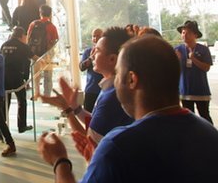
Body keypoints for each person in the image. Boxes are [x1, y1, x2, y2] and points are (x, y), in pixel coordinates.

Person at [38, 35, 218, 183]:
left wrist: (60, 161)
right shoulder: (209, 133)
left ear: (132, 79)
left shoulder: (117, 146)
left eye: (118, 73)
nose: (115, 81)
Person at [41, 27, 133, 147]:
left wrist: (67, 109)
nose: (92, 55)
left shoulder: (112, 97)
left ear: (112, 59)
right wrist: (75, 107)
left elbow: (91, 145)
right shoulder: (111, 88)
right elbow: (95, 123)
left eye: (97, 51)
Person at [0, 27, 34, 140]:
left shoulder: (4, 44)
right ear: (22, 36)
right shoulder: (23, 46)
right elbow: (35, 58)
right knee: (22, 100)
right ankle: (21, 126)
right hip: (16, 77)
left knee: (4, 104)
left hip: (3, 77)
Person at [174, 20, 213, 124]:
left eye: (188, 33)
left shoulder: (203, 49)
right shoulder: (177, 50)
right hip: (185, 91)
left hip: (201, 90)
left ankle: (211, 134)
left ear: (195, 35)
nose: (184, 35)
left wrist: (194, 59)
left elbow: (206, 68)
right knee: (188, 120)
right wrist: (176, 60)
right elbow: (172, 70)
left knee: (205, 116)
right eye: (183, 32)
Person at [27, 5, 59, 98]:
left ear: (40, 13)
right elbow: (55, 40)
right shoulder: (52, 26)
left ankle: (36, 93)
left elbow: (28, 38)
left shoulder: (33, 24)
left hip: (35, 53)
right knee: (47, 76)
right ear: (50, 14)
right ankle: (47, 96)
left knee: (36, 75)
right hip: (47, 53)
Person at [79, 28, 103, 112]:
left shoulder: (108, 52)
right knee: (88, 116)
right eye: (94, 36)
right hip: (91, 90)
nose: (96, 38)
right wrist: (91, 58)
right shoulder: (88, 51)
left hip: (104, 89)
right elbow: (81, 67)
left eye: (98, 36)